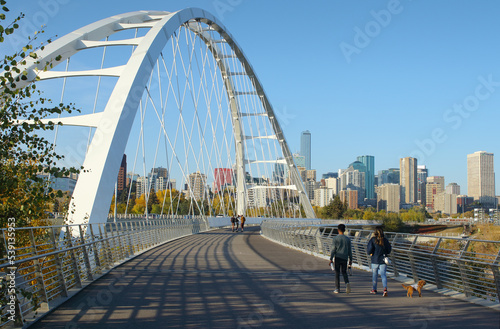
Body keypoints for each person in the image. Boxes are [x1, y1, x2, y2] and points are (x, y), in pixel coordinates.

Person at [367, 226, 392, 297]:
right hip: (383, 260)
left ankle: (374, 289)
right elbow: (389, 250)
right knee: (383, 275)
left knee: (374, 275)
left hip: (374, 259)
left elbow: (369, 250)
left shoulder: (373, 240)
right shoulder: (385, 240)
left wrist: (371, 253)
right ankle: (385, 289)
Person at [329, 224, 352, 294]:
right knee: (344, 272)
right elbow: (349, 251)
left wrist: (331, 258)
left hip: (338, 257)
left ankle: (337, 288)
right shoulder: (347, 239)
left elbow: (333, 249)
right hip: (345, 258)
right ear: (344, 230)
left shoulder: (335, 238)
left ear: (338, 230)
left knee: (337, 273)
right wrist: (350, 259)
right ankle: (347, 283)